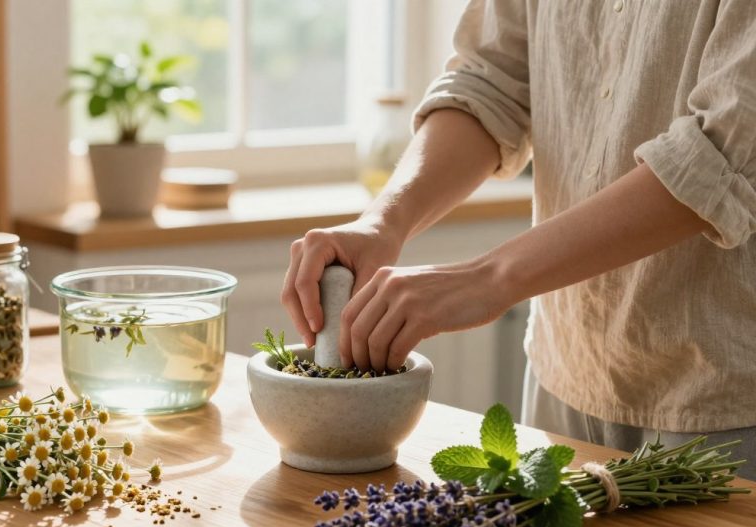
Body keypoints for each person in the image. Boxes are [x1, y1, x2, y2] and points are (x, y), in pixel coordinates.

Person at [281, 0, 756, 478]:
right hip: (566, 367)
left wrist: (487, 278)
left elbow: (720, 152)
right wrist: (383, 222)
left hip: (720, 392)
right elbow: (491, 84)